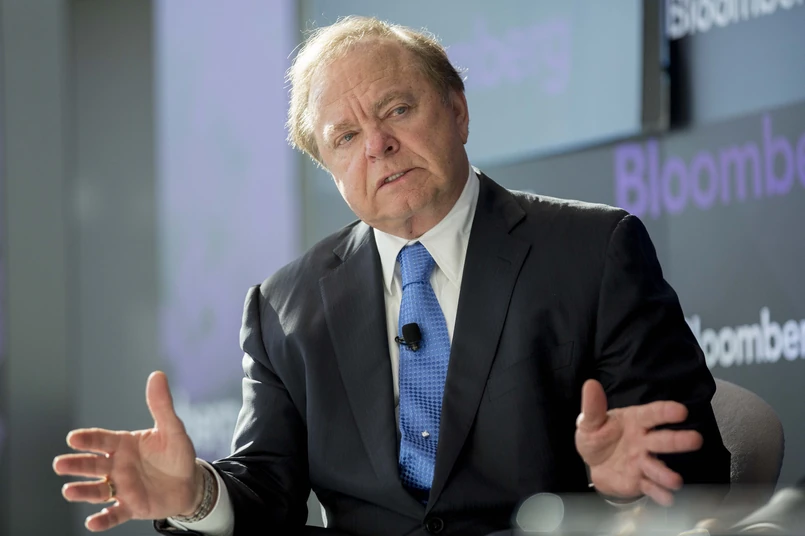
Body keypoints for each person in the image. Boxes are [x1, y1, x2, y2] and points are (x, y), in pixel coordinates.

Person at [53, 16, 729, 536]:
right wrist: (196, 494)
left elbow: (699, 467)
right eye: (345, 137)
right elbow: (267, 492)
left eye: (398, 110)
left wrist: (618, 488)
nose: (377, 145)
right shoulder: (284, 306)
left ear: (458, 112)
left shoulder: (592, 252)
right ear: (329, 169)